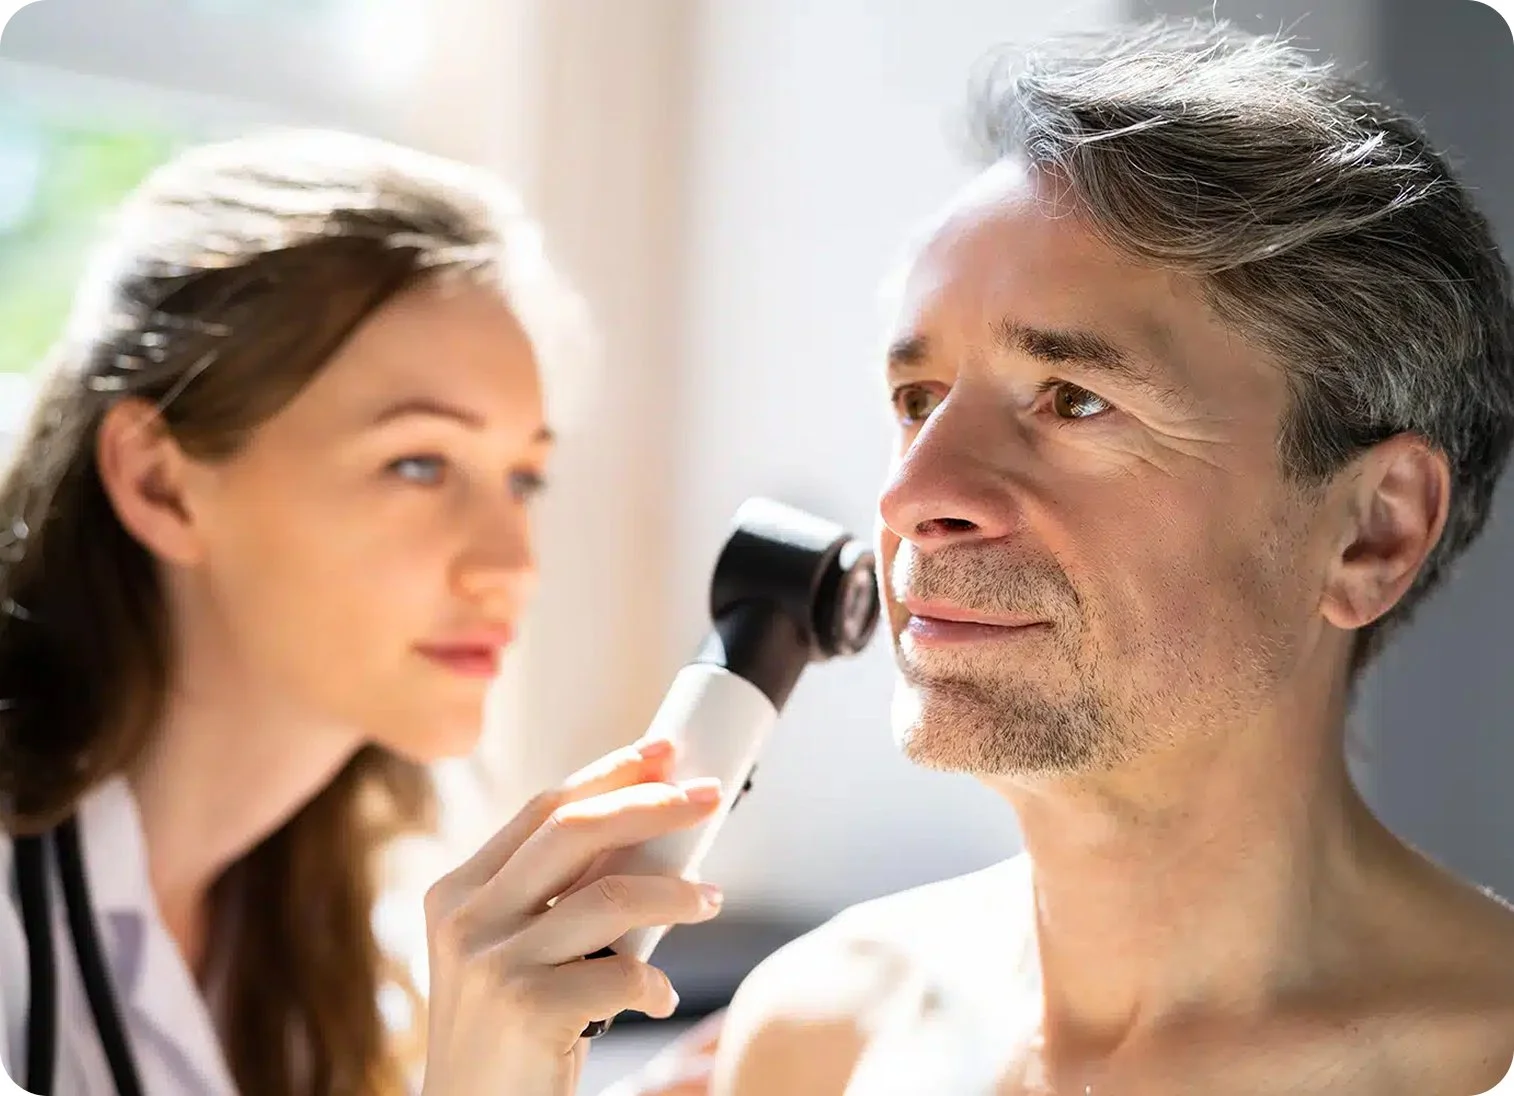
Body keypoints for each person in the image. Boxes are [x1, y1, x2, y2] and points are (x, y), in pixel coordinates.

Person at [709, 20, 1514, 1096]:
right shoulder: (814, 1036)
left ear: (1373, 530)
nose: (911, 496)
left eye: (1073, 400)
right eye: (915, 401)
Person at [0, 128, 728, 1096]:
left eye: (522, 476)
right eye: (418, 463)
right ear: (160, 483)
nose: (510, 563)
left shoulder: (365, 932)